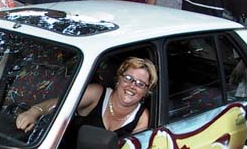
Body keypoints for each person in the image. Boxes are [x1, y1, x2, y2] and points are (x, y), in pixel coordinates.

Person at [16, 57, 155, 136]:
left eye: (140, 84)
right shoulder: (97, 93)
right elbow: (60, 104)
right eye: (128, 78)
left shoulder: (142, 118)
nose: (132, 86)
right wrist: (34, 112)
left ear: (146, 92)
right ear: (119, 78)